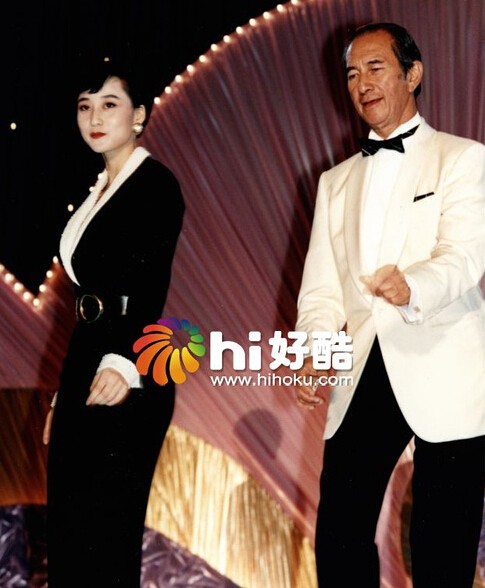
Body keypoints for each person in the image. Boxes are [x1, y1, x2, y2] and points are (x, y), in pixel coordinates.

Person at [295, 22, 485, 588]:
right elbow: (321, 291)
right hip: (363, 365)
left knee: (442, 544)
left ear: (413, 74)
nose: (362, 83)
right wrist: (315, 353)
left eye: (376, 68)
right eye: (352, 73)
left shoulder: (463, 157)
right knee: (340, 531)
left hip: (445, 361)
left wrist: (414, 286)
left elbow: (466, 254)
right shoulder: (333, 182)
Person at [42, 54, 185, 587]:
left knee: (105, 536)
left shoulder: (155, 184)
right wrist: (63, 395)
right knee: (70, 533)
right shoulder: (99, 188)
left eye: (109, 104)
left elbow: (149, 286)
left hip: (129, 365)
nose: (95, 117)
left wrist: (123, 362)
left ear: (139, 114)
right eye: (85, 106)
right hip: (86, 358)